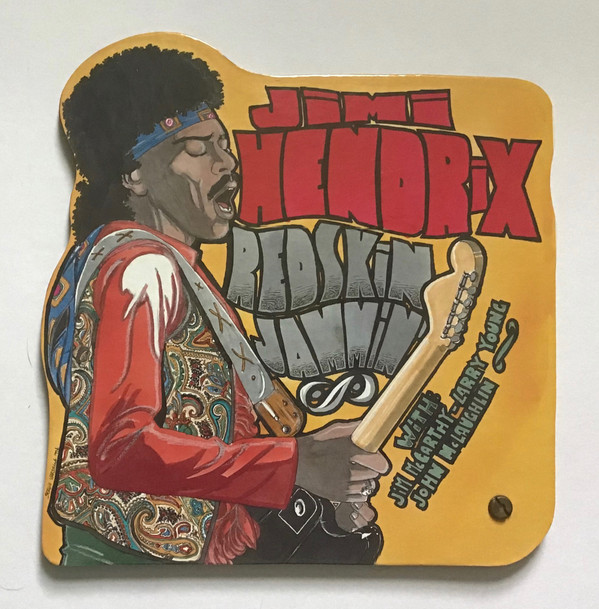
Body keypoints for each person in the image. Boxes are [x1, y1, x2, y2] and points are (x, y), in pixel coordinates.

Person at [46, 44, 389, 565]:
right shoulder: (145, 271)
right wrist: (298, 465)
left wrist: (315, 479)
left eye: (223, 145)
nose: (227, 163)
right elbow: (119, 452)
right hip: (126, 569)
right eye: (197, 148)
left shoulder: (172, 268)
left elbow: (202, 445)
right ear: (134, 174)